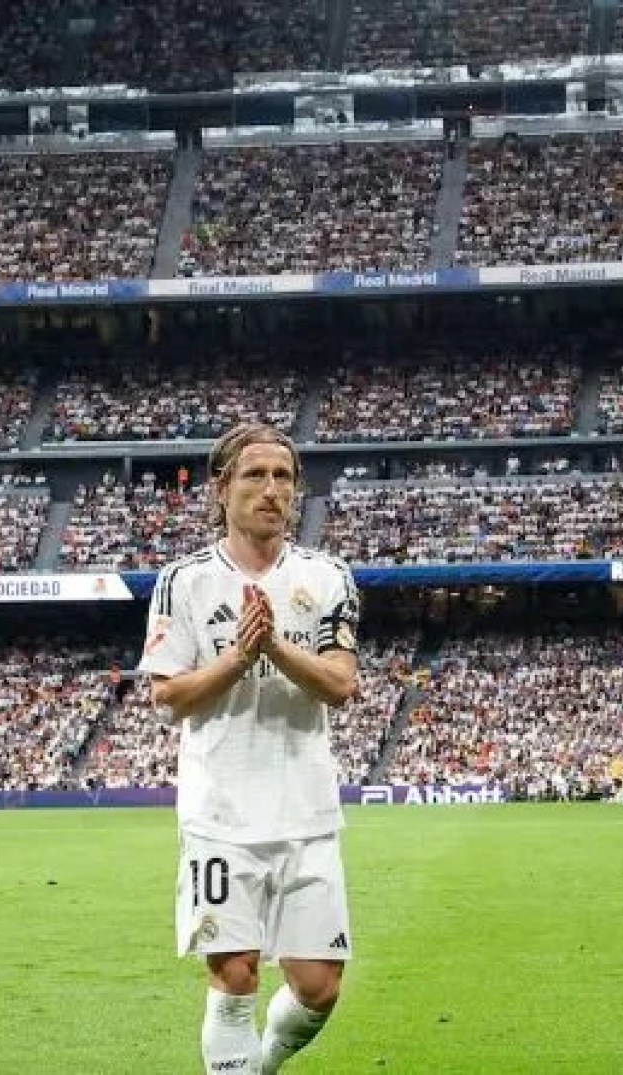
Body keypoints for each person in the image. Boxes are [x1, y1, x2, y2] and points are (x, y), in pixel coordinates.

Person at [139, 422, 361, 1075]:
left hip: (307, 813)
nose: (271, 490)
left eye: (283, 477)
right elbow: (169, 694)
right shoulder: (183, 581)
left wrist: (273, 648)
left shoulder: (328, 577)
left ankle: (259, 1064)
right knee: (234, 974)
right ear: (222, 487)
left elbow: (342, 683)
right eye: (254, 476)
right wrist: (239, 658)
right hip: (221, 815)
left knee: (319, 986)